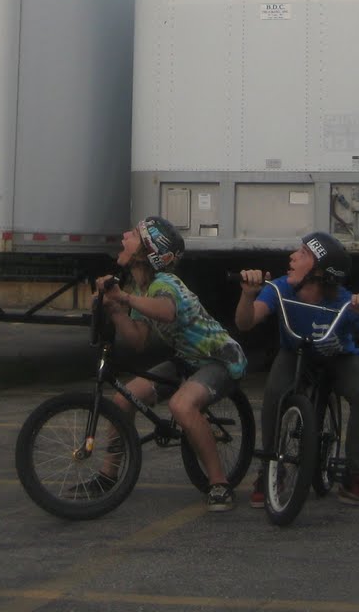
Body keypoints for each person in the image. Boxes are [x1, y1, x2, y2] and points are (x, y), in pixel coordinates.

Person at [236, 232, 359, 511]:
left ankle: (356, 477)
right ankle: (271, 469)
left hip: (338, 357)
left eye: (303, 253)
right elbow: (245, 322)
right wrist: (247, 295)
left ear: (318, 272)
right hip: (295, 353)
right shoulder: (280, 289)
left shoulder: (344, 301)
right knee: (275, 394)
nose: (292, 257)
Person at [93, 216, 249, 512]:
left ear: (147, 251)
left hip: (220, 358)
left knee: (181, 405)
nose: (124, 235)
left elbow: (166, 312)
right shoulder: (142, 289)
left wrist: (124, 298)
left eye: (133, 235)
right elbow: (138, 339)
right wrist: (115, 310)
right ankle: (108, 475)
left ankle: (219, 483)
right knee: (123, 399)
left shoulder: (165, 284)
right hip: (187, 360)